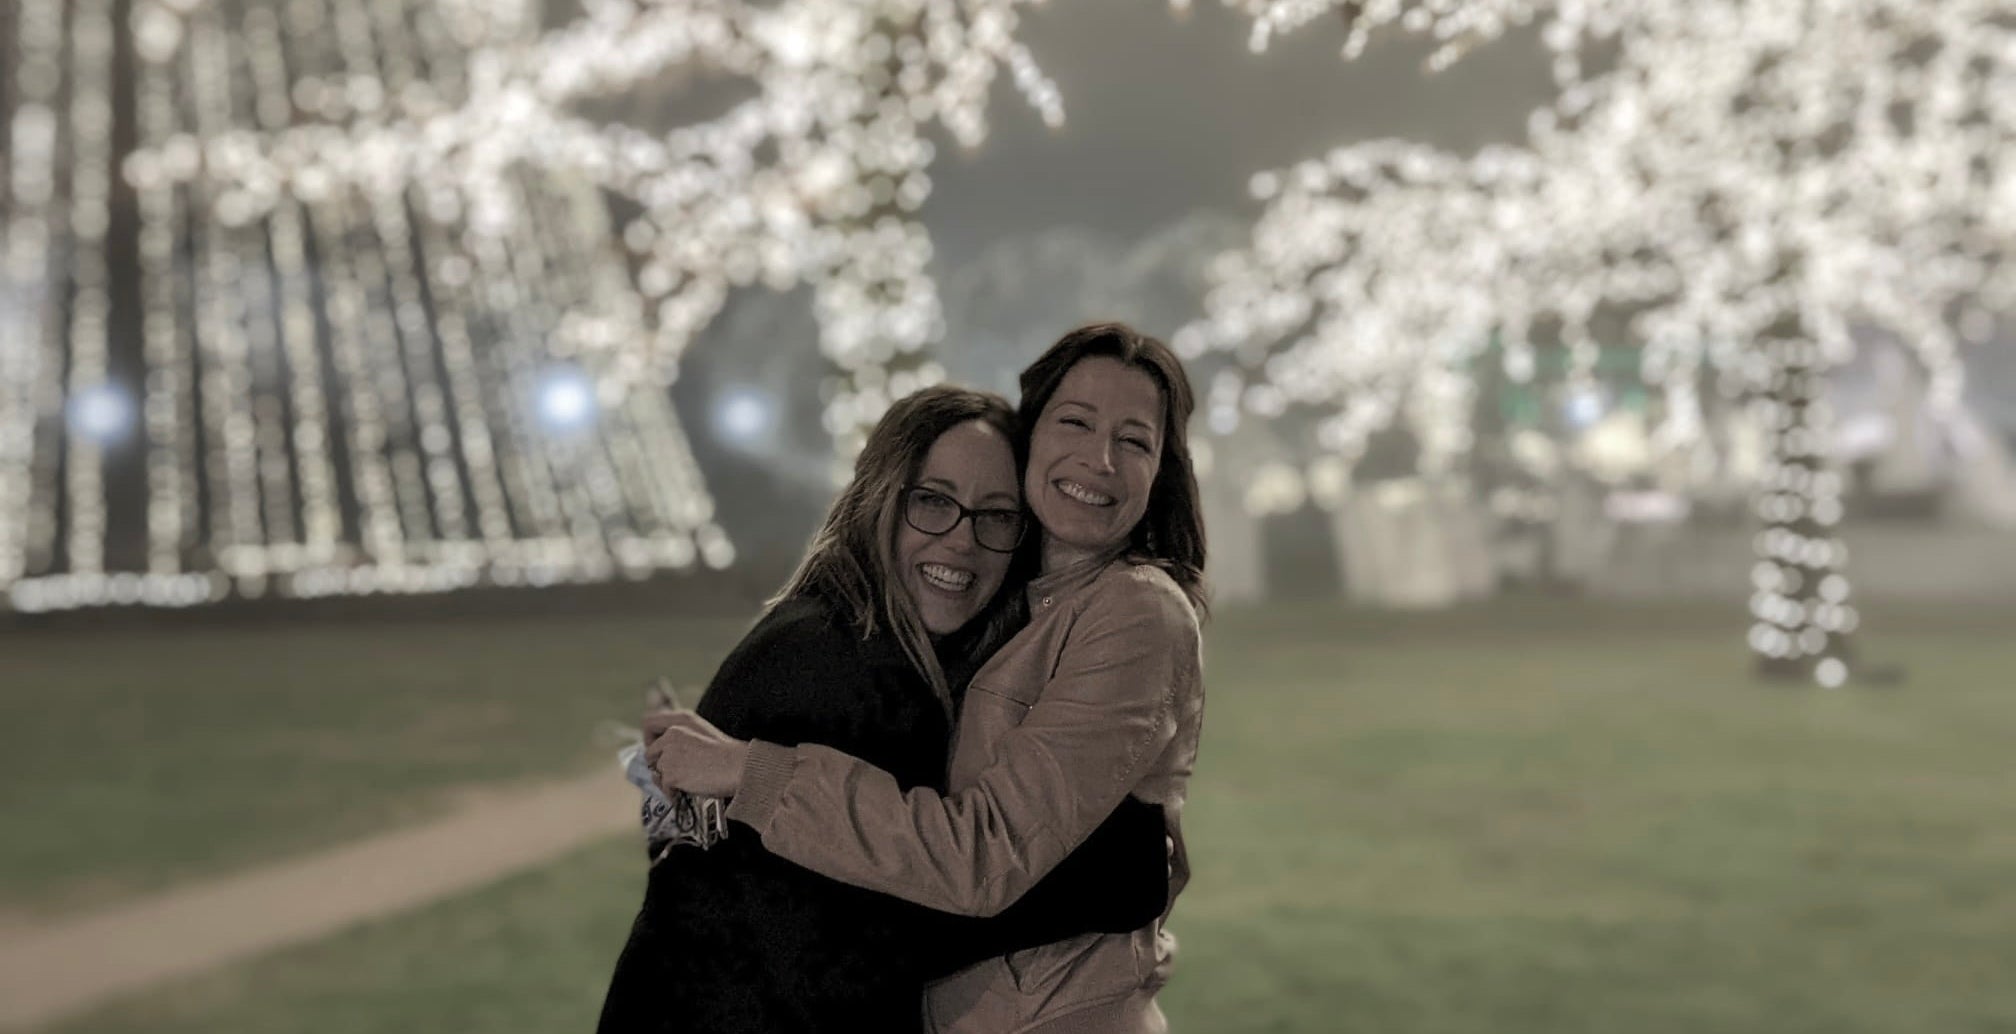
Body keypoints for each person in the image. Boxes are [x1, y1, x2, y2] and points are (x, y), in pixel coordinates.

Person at [648, 323, 1208, 1033]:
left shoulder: (1133, 610)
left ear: (1161, 470)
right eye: (1075, 421)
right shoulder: (850, 647)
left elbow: (980, 855)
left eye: (1135, 440)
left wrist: (752, 774)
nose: (1099, 458)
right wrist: (1107, 881)